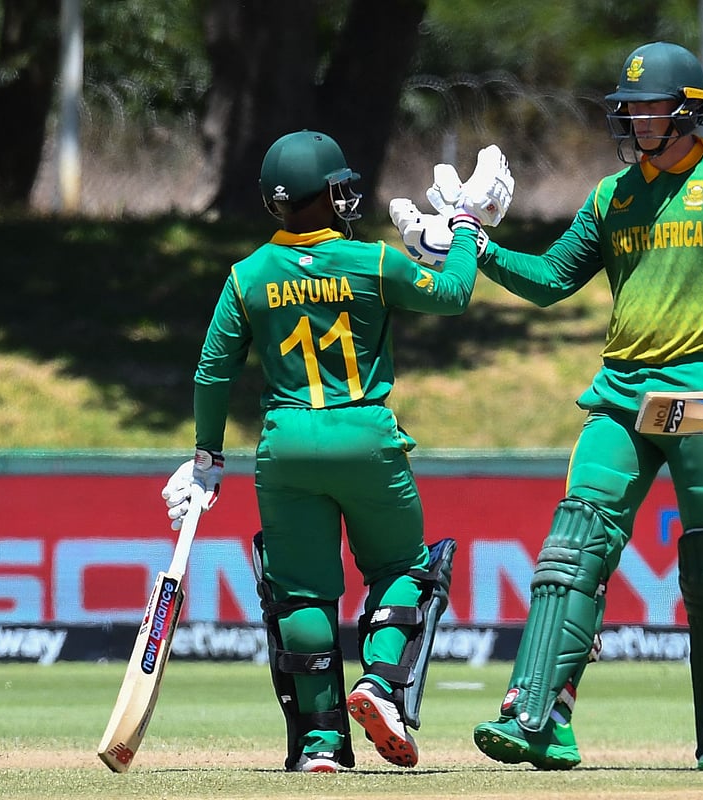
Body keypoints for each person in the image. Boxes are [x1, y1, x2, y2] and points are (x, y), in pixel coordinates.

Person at [392, 41, 703, 772]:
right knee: (573, 548)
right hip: (620, 394)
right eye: (629, 106)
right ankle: (538, 718)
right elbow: (548, 280)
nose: (635, 118)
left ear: (687, 112)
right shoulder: (613, 196)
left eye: (649, 106)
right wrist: (479, 248)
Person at [159, 130, 511, 772]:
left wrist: (208, 456)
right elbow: (455, 293)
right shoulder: (373, 261)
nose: (348, 198)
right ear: (323, 198)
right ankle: (378, 683)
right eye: (338, 189)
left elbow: (212, 373)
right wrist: (463, 227)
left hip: (287, 446)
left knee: (300, 595)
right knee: (404, 568)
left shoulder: (246, 276)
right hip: (365, 436)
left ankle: (321, 741)